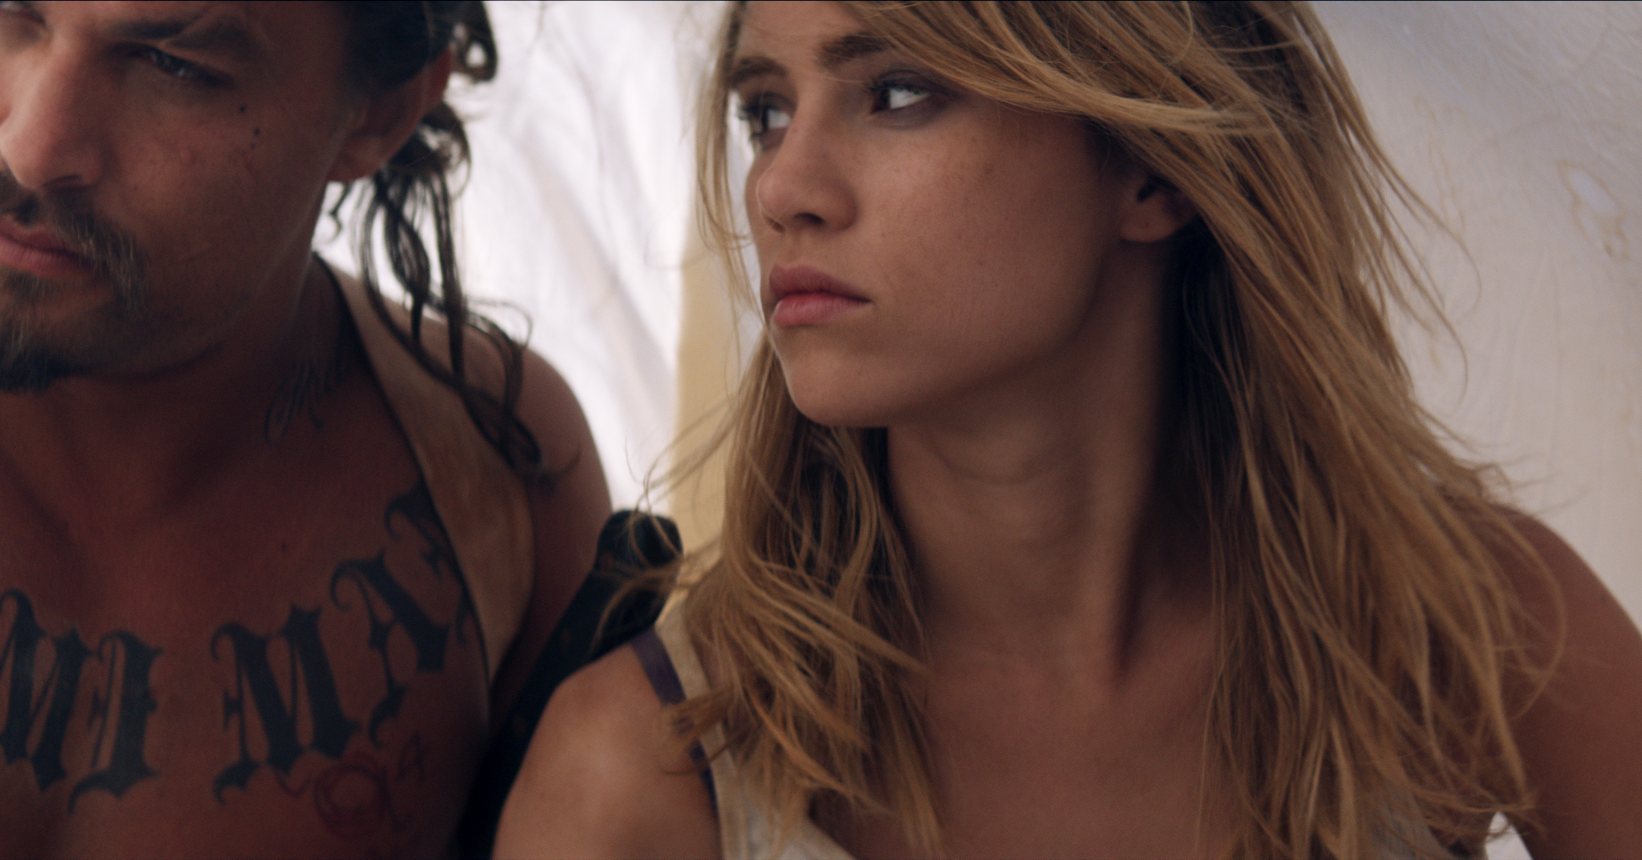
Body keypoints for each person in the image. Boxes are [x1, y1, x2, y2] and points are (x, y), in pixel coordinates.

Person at [497, 2, 1642, 858]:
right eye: (764, 111)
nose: (779, 188)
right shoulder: (640, 769)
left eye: (895, 91)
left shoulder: (1466, 634)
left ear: (1148, 169)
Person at [0, 1, 611, 856]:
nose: (31, 146)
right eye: (9, 11)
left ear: (380, 113)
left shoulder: (492, 479)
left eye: (173, 64)